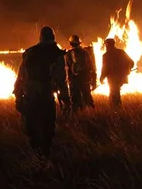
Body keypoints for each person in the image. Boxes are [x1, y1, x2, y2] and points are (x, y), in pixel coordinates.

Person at [13, 26, 70, 158]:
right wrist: (66, 99)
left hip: (30, 92)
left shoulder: (30, 52)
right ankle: (45, 153)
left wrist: (18, 95)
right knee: (47, 124)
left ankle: (35, 152)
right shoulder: (57, 54)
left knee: (32, 122)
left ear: (41, 37)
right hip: (46, 93)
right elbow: (61, 79)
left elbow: (21, 76)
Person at [65, 34, 97, 112]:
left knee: (75, 98)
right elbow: (91, 67)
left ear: (70, 43)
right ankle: (92, 113)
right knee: (87, 96)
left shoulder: (68, 54)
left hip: (74, 80)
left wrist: (68, 79)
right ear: (79, 43)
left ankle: (77, 115)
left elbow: (67, 68)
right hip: (85, 78)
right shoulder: (85, 53)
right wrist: (94, 80)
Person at [99, 38, 134, 108]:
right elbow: (131, 62)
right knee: (115, 92)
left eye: (105, 44)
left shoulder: (106, 55)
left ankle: (116, 108)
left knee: (114, 93)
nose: (105, 46)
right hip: (122, 77)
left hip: (112, 78)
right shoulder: (121, 52)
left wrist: (102, 78)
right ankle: (115, 107)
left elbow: (105, 69)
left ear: (107, 45)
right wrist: (127, 70)